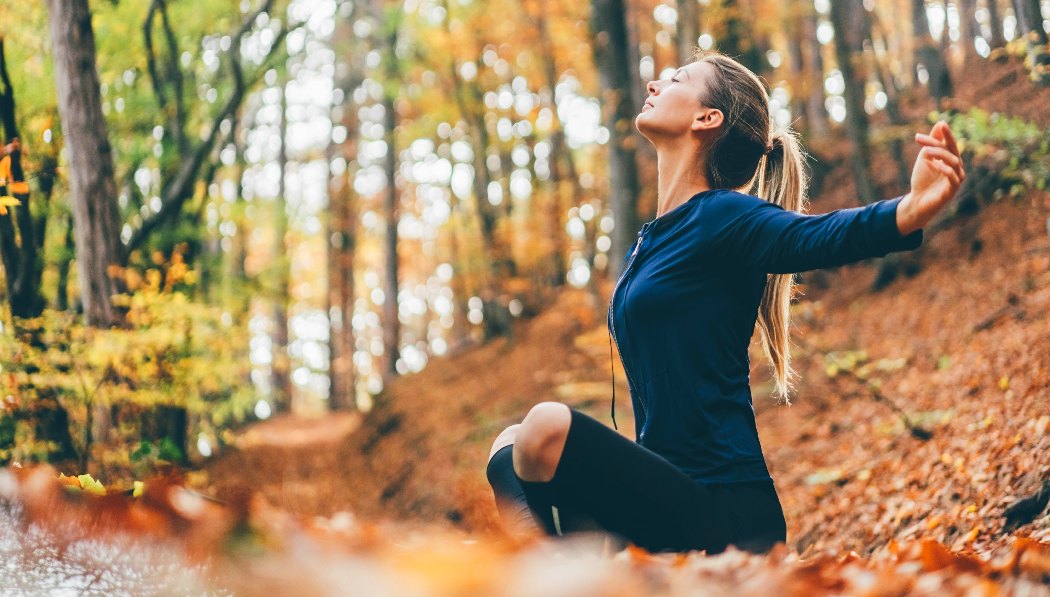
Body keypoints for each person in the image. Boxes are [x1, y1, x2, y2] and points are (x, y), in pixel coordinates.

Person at [485, 51, 965, 554]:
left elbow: (817, 236)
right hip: (660, 503)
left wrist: (909, 211)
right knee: (508, 445)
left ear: (706, 118)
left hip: (725, 512)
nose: (653, 83)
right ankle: (552, 572)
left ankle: (546, 574)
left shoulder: (721, 215)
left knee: (545, 426)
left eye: (675, 80)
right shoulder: (646, 245)